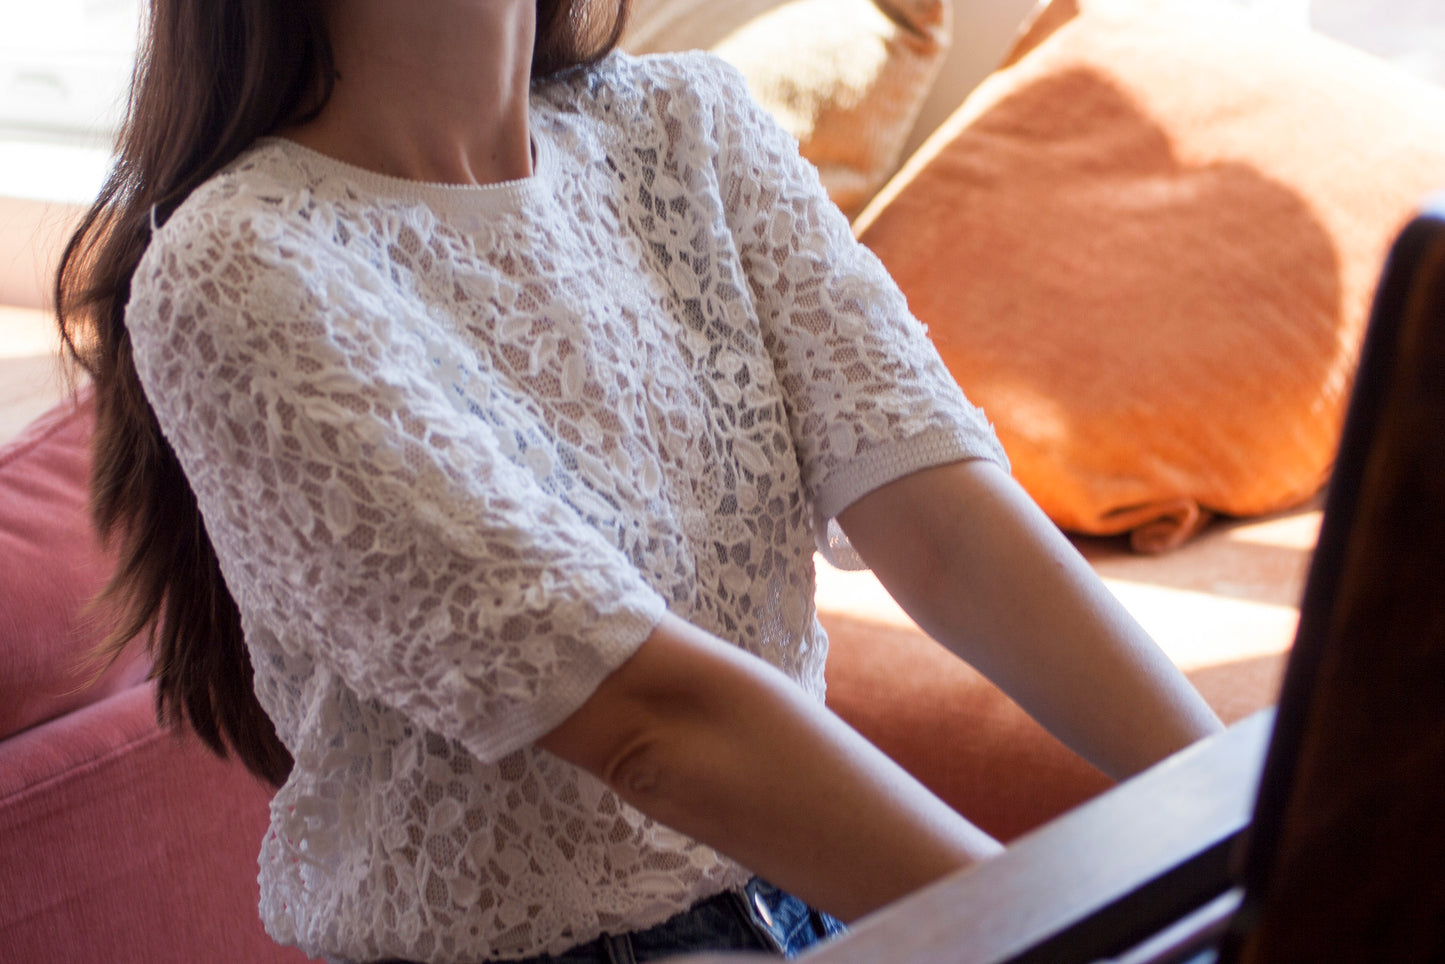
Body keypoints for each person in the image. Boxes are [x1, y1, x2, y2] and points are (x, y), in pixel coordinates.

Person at [56, 0, 1224, 961]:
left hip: (798, 906)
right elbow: (652, 727)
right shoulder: (238, 266)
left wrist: (1248, 819)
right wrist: (1061, 930)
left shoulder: (688, 125)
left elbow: (948, 524)